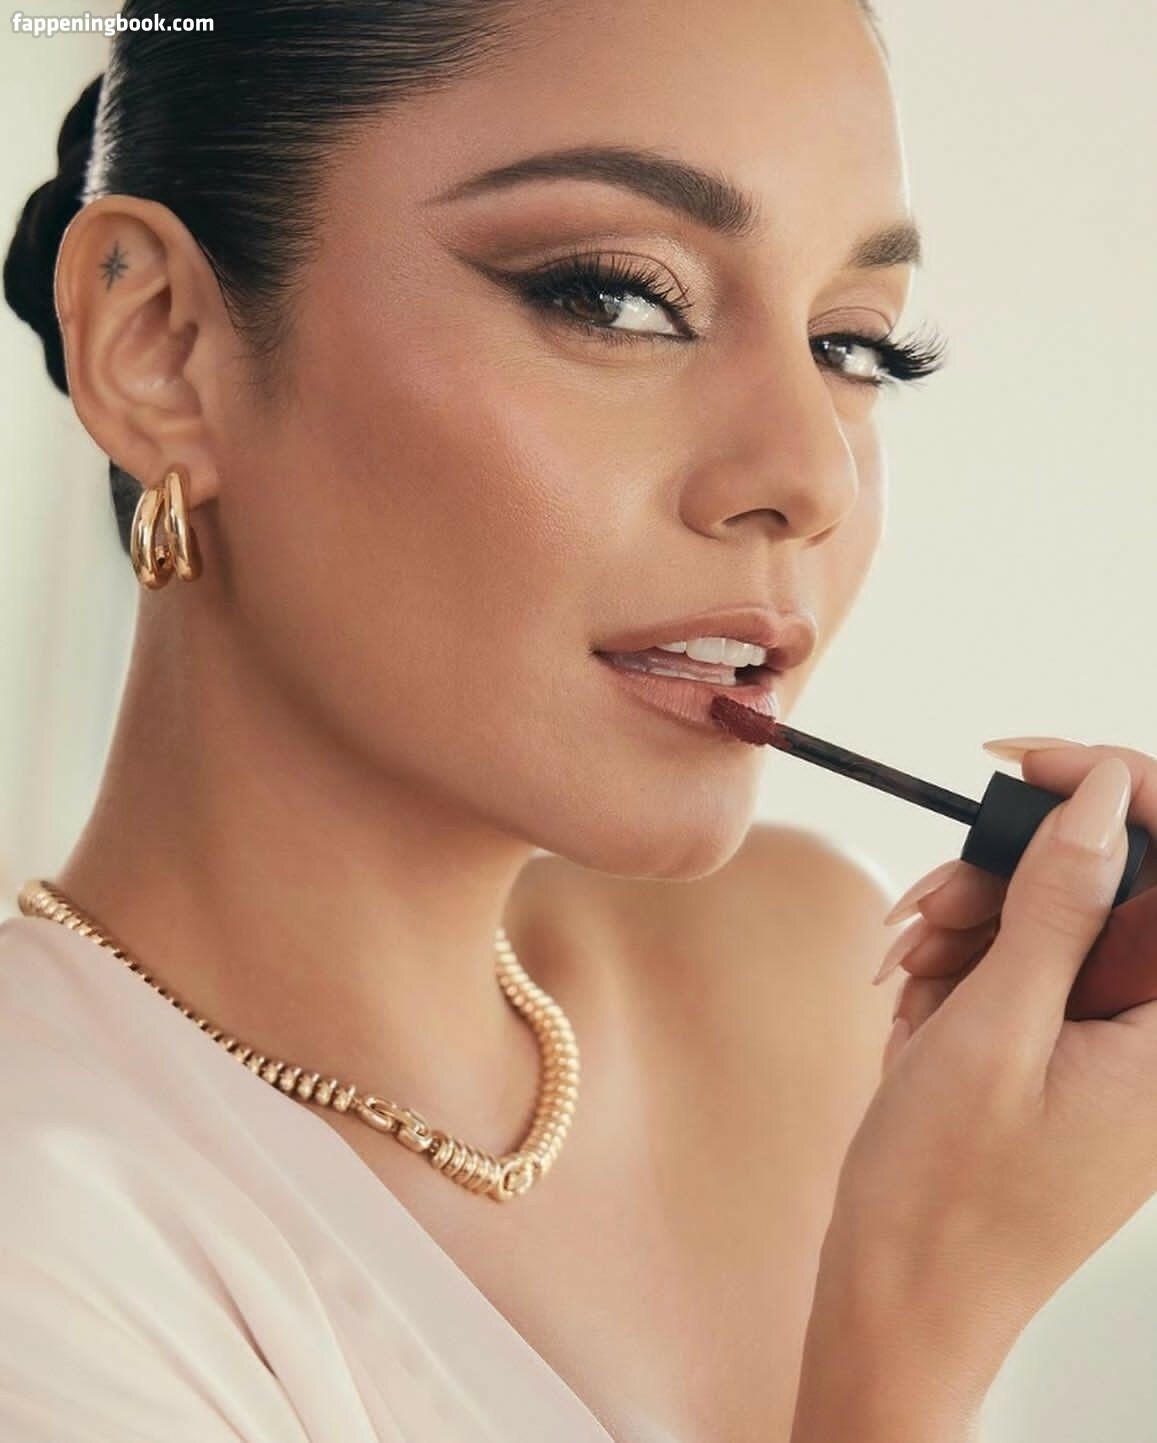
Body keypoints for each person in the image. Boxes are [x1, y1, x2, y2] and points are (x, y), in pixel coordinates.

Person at [3, 2, 1156, 1440]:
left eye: (854, 345)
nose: (809, 475)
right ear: (161, 346)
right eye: (617, 298)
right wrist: (920, 1318)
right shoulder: (41, 1237)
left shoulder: (817, 977)